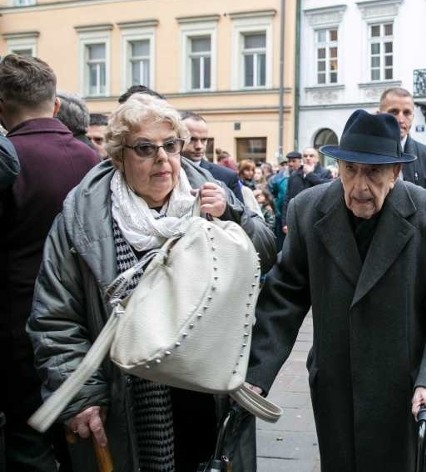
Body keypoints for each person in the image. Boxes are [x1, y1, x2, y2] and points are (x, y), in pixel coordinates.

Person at [28, 96, 276, 472]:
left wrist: (235, 216)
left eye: (171, 145)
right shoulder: (82, 217)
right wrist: (80, 394)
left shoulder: (209, 195)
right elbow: (55, 316)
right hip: (124, 396)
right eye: (145, 148)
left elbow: (264, 257)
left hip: (207, 391)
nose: (162, 158)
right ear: (118, 156)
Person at [246, 109, 426, 471]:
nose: (359, 186)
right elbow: (284, 296)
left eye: (373, 173)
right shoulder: (308, 209)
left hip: (406, 389)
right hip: (336, 386)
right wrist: (255, 375)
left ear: (396, 173)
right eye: (349, 170)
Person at [0, 55, 101, 472]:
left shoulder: (9, 162)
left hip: (17, 325)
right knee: (81, 439)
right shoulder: (94, 161)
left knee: (27, 440)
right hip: (87, 324)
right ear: (55, 104)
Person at [379, 87, 426, 193]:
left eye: (407, 113)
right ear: (379, 114)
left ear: (413, 116)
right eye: (394, 112)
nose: (400, 120)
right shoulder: (362, 156)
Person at [180, 111, 245, 203]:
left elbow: (241, 215)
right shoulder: (163, 173)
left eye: (204, 140)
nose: (199, 146)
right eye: (192, 139)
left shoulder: (226, 176)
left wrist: (223, 210)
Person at [281, 147, 332, 233]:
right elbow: (288, 199)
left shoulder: (325, 173)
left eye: (311, 156)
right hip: (297, 219)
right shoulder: (295, 174)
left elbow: (327, 188)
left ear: (317, 158)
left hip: (316, 219)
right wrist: (285, 222)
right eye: (305, 156)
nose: (308, 158)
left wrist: (310, 175)